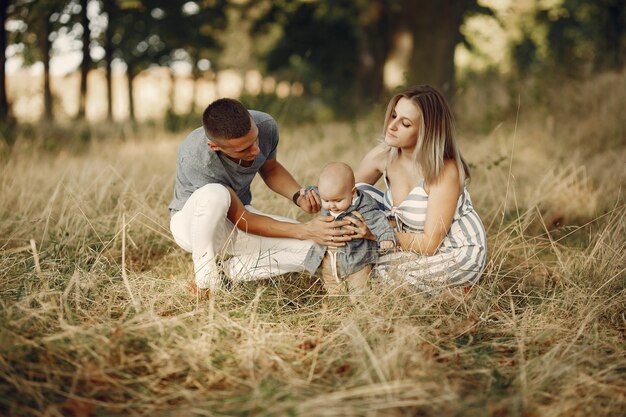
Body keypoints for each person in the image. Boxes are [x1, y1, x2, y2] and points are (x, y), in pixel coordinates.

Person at [168, 98, 352, 292]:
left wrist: (298, 196)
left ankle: (227, 273)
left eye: (255, 139)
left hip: (237, 217)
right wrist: (304, 229)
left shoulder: (265, 125)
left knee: (317, 249)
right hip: (193, 226)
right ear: (216, 147)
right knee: (216, 194)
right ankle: (205, 276)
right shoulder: (195, 156)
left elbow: (270, 169)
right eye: (244, 149)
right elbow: (242, 219)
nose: (255, 150)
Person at [351, 85, 487, 292]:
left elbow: (430, 244)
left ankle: (460, 293)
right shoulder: (382, 156)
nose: (392, 126)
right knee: (359, 195)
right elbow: (345, 196)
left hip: (454, 251)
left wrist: (374, 233)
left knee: (383, 278)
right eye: (393, 115)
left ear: (426, 132)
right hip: (411, 245)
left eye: (405, 123)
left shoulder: (443, 170)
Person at [303, 162, 395, 297]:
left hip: (357, 258)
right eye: (326, 201)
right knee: (331, 281)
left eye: (338, 200)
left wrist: (385, 236)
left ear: (352, 193)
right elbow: (313, 192)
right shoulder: (327, 194)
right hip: (329, 255)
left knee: (359, 287)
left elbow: (378, 220)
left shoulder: (363, 205)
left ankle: (358, 305)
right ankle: (336, 302)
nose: (332, 206)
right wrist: (307, 192)